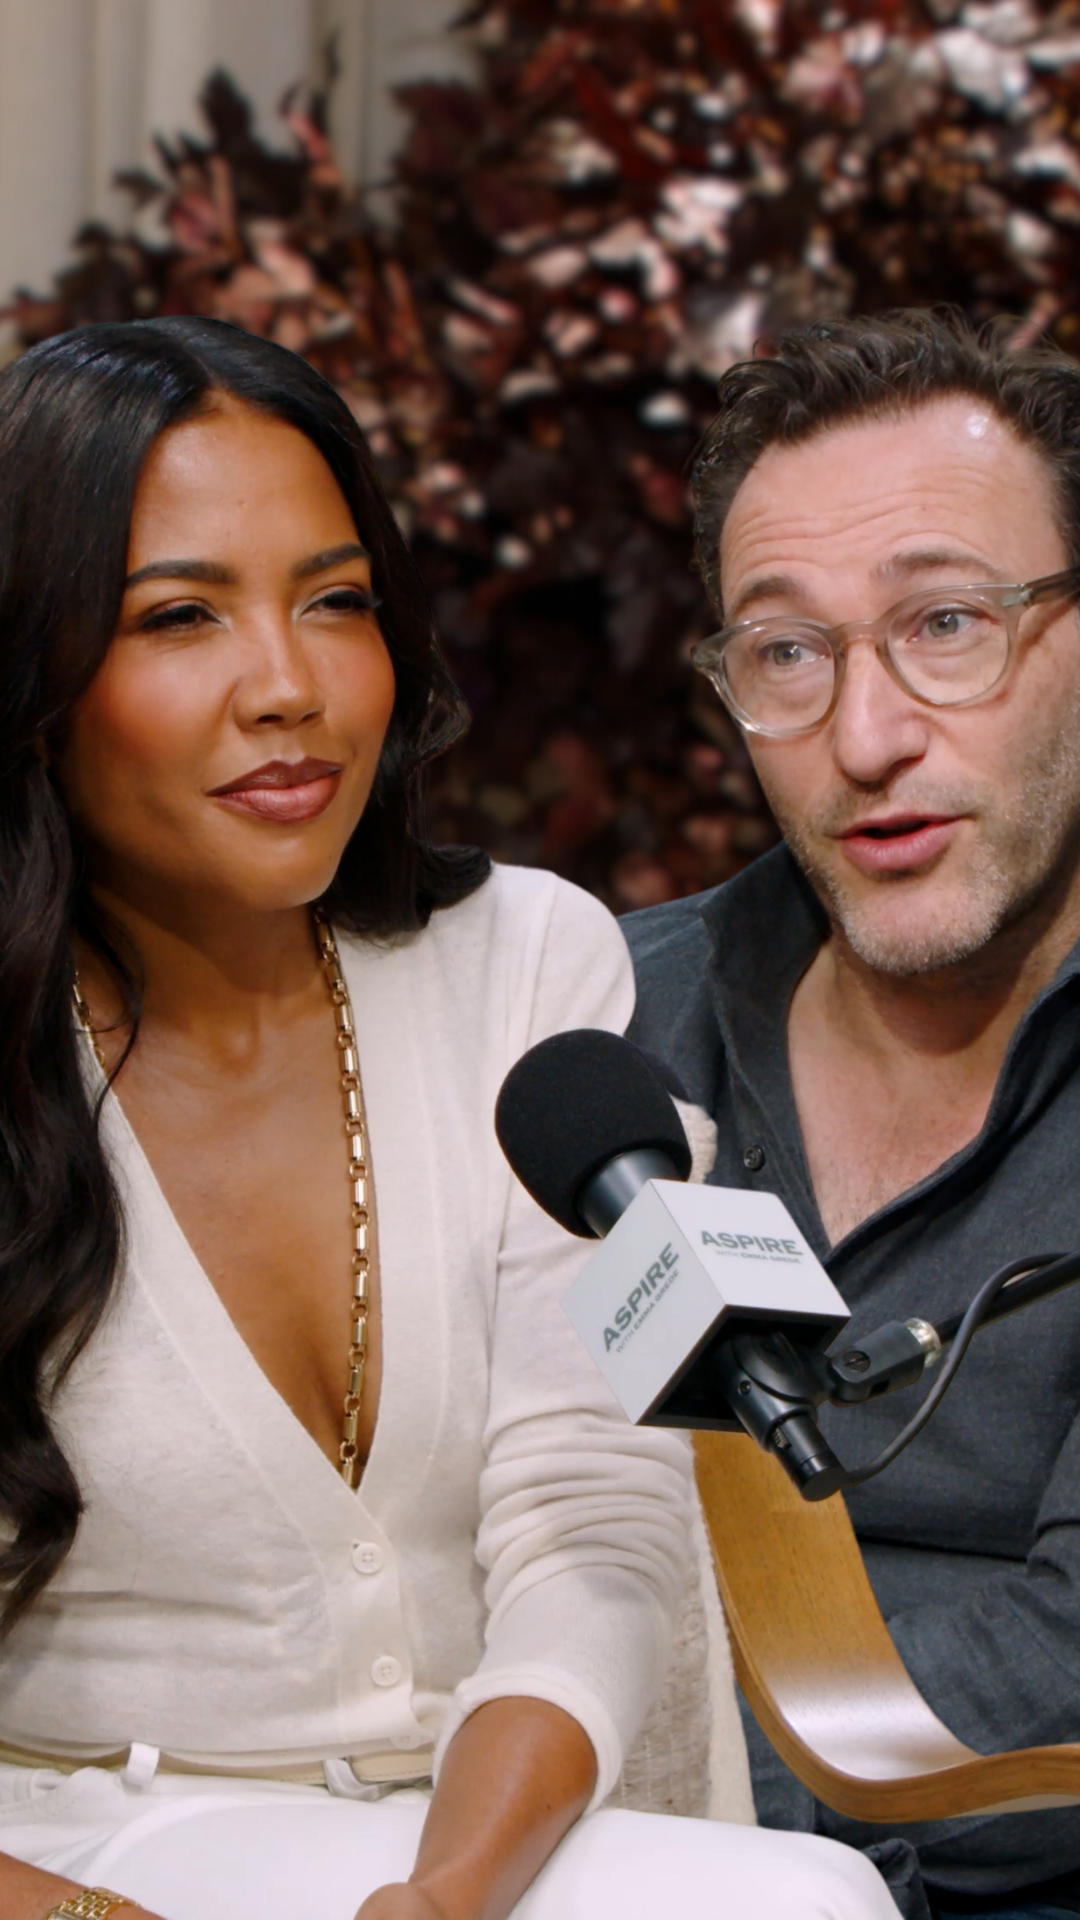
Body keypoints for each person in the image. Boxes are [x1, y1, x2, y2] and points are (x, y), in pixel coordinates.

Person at [0, 317, 893, 1920]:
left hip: (462, 1828)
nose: (290, 686)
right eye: (180, 616)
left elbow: (587, 1518)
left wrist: (450, 1891)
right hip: (61, 1857)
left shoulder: (524, 964)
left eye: (336, 602)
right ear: (34, 678)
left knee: (801, 1905)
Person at [622, 307, 1080, 1920]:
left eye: (947, 623)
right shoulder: (606, 1026)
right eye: (788, 653)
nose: (867, 738)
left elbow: (1061, 1666)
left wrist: (568, 1758)